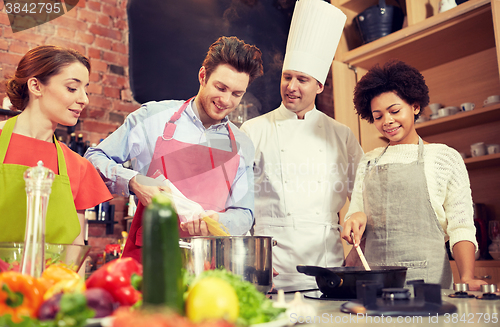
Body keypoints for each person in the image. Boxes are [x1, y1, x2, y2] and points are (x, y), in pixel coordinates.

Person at [85, 36, 264, 262]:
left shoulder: (241, 144)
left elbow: (244, 214)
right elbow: (93, 158)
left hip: (207, 263)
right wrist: (134, 181)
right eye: (221, 87)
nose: (226, 100)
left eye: (237, 94)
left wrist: (217, 221)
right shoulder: (153, 118)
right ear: (202, 76)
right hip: (148, 259)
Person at [240, 0, 364, 292]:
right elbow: (238, 203)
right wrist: (250, 265)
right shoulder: (254, 130)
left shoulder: (340, 134)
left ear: (319, 86)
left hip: (328, 268)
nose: (291, 86)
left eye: (302, 80)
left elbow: (363, 195)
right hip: (272, 269)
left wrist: (356, 251)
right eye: (287, 77)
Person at [341, 60, 486, 290]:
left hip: (428, 283)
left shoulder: (444, 157)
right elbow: (357, 210)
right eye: (377, 116)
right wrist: (355, 219)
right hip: (374, 284)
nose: (387, 121)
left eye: (394, 111)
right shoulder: (368, 160)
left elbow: (461, 226)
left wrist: (466, 276)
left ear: (415, 106)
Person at [0, 45, 113, 245]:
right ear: (36, 86)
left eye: (85, 89)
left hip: (52, 276)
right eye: (72, 88)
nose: (84, 99)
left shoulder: (78, 166)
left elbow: (75, 248)